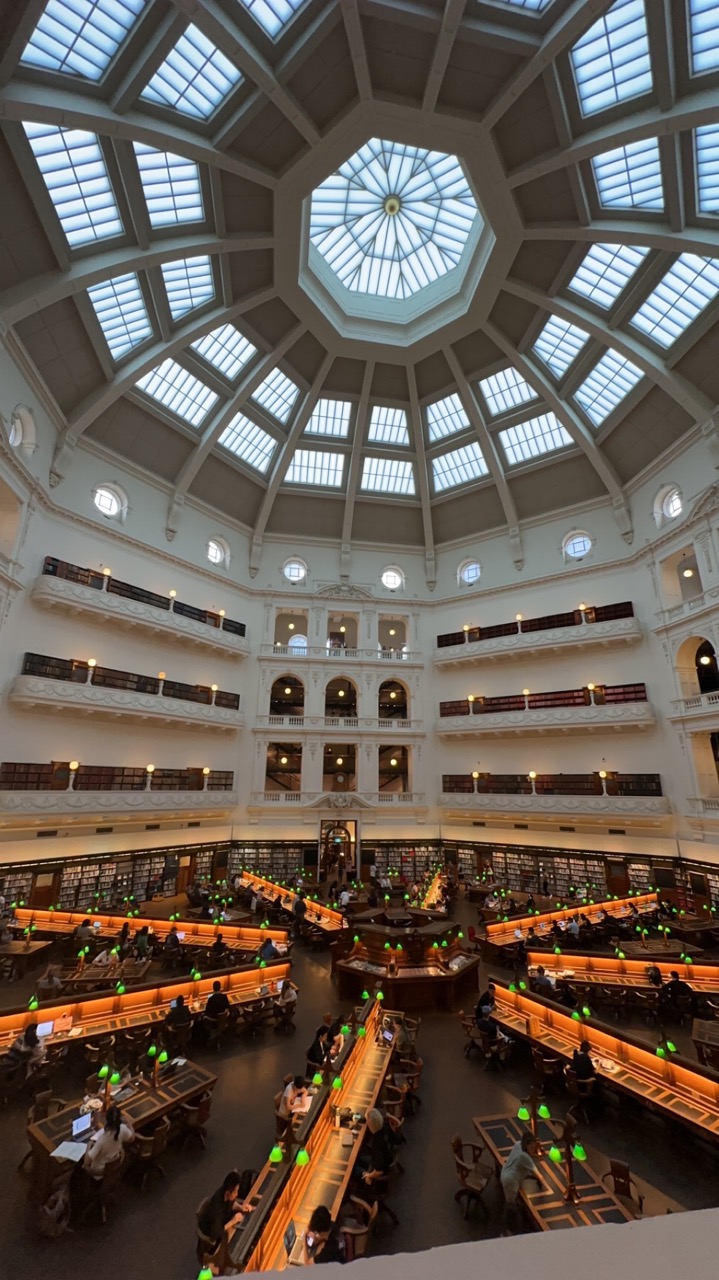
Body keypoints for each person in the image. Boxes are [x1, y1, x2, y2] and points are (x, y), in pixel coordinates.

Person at [198, 1170, 253, 1252]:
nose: (237, 1194)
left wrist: (241, 1207)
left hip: (221, 1221)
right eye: (235, 1192)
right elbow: (216, 1233)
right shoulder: (216, 1209)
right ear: (228, 1193)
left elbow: (232, 1202)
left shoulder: (225, 1192)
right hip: (212, 1231)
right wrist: (233, 1221)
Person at [500, 1132, 542, 1233]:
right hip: (510, 1181)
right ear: (526, 1145)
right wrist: (541, 1180)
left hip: (505, 1172)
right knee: (510, 1205)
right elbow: (538, 1175)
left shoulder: (518, 1144)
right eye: (531, 1148)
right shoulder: (525, 1157)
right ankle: (508, 1229)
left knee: (511, 1202)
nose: (533, 1150)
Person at [83, 1105, 134, 1178]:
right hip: (113, 1167)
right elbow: (132, 1138)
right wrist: (129, 1123)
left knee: (81, 1167)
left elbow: (86, 1161)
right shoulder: (122, 1129)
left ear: (106, 1120)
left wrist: (89, 1145)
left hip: (99, 1173)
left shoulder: (102, 1140)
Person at [361, 1109, 402, 1185]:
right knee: (360, 1158)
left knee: (356, 1169)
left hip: (383, 1167)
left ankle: (364, 1188)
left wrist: (368, 1175)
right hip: (389, 1156)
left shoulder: (376, 1143)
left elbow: (379, 1171)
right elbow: (398, 1140)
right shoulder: (386, 1127)